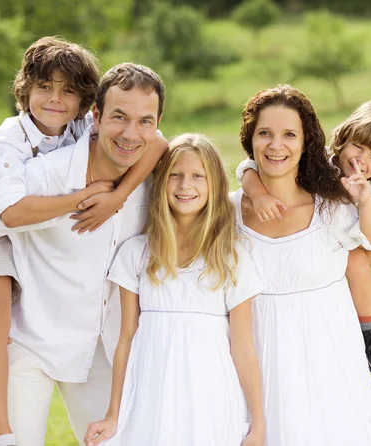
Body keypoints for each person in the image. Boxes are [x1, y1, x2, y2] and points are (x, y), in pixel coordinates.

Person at [0, 38, 168, 446]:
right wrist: (82, 197)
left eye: (68, 91)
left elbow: (158, 144)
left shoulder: (116, 143)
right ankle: (3, 434)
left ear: (84, 107)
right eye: (45, 88)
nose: (56, 100)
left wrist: (115, 197)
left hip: (95, 339)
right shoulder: (9, 146)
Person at [232, 85, 371, 445]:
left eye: (289, 134)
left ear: (306, 143)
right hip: (255, 364)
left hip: (328, 367)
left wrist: (350, 265)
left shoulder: (335, 207)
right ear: (250, 140)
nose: (276, 145)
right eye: (265, 134)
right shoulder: (225, 213)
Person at [84, 134, 264, 446]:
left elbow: (244, 347)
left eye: (198, 176)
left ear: (215, 186)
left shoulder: (232, 257)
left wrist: (258, 424)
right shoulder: (137, 252)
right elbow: (126, 337)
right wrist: (114, 413)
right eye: (175, 176)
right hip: (151, 391)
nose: (185, 186)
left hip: (210, 394)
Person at [237, 100, 371, 376]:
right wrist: (258, 194)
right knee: (355, 259)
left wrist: (364, 201)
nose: (361, 160)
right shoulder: (322, 163)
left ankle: (370, 333)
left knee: (356, 259)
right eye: (358, 146)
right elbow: (247, 167)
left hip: (347, 245)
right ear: (344, 139)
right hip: (310, 242)